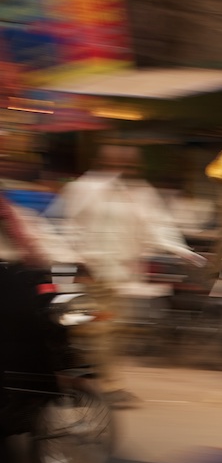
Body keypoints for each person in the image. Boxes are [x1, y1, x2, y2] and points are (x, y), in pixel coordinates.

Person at [46, 142, 204, 408]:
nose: (124, 169)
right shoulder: (84, 189)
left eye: (129, 164)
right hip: (87, 272)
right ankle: (99, 386)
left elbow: (157, 226)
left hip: (117, 276)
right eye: (119, 162)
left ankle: (92, 385)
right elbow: (66, 225)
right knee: (95, 331)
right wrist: (76, 261)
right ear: (104, 162)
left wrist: (184, 252)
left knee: (108, 332)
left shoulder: (139, 193)